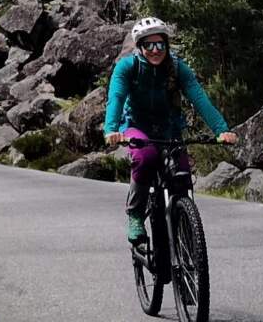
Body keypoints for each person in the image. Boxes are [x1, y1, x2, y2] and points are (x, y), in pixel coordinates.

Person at [103, 17, 240, 242]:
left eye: (160, 44)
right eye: (149, 45)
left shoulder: (177, 68)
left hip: (169, 128)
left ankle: (185, 228)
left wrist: (221, 129)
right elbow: (116, 98)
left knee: (182, 174)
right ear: (140, 47)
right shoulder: (127, 67)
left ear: (167, 45)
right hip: (137, 126)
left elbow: (199, 98)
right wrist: (111, 129)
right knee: (145, 158)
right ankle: (136, 215)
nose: (155, 50)